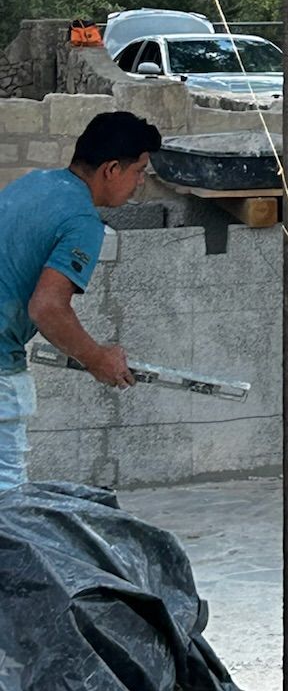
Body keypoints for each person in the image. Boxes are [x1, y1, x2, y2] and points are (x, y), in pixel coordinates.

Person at [0, 111, 162, 491]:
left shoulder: (34, 183)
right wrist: (97, 358)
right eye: (138, 171)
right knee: (9, 505)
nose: (140, 183)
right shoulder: (82, 221)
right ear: (111, 170)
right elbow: (47, 308)